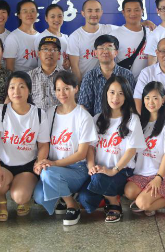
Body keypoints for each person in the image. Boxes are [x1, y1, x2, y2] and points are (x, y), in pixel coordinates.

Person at [33, 71, 98, 226]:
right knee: (39, 197)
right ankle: (64, 194)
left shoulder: (83, 116)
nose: (62, 93)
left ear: (76, 89)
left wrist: (53, 164)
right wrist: (40, 162)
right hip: (53, 168)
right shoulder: (51, 113)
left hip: (77, 169)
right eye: (58, 89)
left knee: (48, 174)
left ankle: (71, 204)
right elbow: (44, 143)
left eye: (66, 88)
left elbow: (81, 153)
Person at [78, 76, 146, 223]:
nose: (116, 98)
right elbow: (90, 148)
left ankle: (114, 202)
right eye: (112, 92)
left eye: (121, 93)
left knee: (98, 180)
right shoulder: (97, 118)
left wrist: (113, 170)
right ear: (106, 94)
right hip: (99, 171)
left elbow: (131, 151)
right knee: (84, 199)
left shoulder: (132, 119)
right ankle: (106, 195)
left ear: (126, 96)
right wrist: (91, 167)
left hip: (121, 171)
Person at [0, 71, 50, 221]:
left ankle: (23, 199)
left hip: (26, 166)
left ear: (29, 90)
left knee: (20, 196)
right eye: (12, 87)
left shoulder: (39, 114)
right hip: (3, 164)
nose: (16, 91)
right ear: (8, 91)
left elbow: (43, 145)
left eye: (21, 87)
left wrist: (39, 162)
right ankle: (1, 202)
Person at [124, 81, 165, 218]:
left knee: (142, 203)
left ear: (163, 99)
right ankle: (153, 199)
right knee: (129, 192)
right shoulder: (140, 121)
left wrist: (158, 178)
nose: (151, 102)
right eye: (147, 98)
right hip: (144, 173)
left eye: (155, 98)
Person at [78, 35, 136, 116]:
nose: (105, 51)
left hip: (122, 121)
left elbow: (133, 102)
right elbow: (83, 105)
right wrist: (91, 122)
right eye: (101, 48)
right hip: (96, 122)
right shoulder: (89, 76)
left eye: (109, 47)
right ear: (95, 53)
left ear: (116, 52)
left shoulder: (127, 75)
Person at [67, 0, 117, 83]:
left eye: (97, 10)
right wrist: (81, 86)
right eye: (89, 11)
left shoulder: (109, 29)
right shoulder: (75, 36)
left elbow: (127, 29)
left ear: (101, 12)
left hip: (107, 83)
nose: (94, 14)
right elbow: (74, 66)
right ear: (83, 13)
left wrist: (141, 24)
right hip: (85, 82)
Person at [111, 0, 151, 79]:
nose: (133, 14)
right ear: (123, 12)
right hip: (123, 82)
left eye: (136, 10)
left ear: (142, 11)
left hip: (146, 82)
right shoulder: (115, 34)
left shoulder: (150, 33)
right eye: (129, 10)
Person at [4, 0, 39, 73]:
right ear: (19, 15)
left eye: (32, 11)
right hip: (20, 78)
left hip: (38, 78)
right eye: (25, 11)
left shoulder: (40, 37)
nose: (29, 14)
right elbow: (9, 67)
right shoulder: (13, 38)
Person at [29, 36, 62, 111]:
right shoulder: (30, 76)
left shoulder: (65, 77)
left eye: (54, 50)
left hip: (59, 117)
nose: (49, 53)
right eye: (45, 49)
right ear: (39, 53)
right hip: (36, 117)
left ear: (59, 54)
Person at [35, 3, 70, 70]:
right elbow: (38, 59)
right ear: (46, 18)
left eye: (59, 16)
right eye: (52, 17)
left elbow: (67, 58)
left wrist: (68, 62)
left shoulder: (66, 38)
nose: (56, 19)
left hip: (64, 75)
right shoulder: (41, 37)